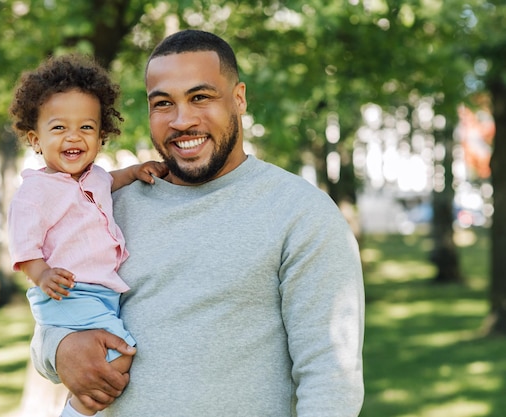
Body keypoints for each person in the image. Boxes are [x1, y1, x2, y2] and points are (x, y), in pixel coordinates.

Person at [31, 30, 365, 416]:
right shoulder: (108, 207)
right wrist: (58, 349)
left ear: (239, 98)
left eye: (200, 97)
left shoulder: (300, 212)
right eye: (163, 103)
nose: (182, 120)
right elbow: (53, 319)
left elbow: (330, 377)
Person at [7, 54, 167, 417]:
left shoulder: (96, 176)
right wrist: (43, 274)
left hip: (100, 293)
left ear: (101, 135)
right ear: (36, 139)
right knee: (120, 351)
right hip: (68, 291)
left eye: (87, 128)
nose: (74, 137)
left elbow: (115, 179)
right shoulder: (36, 192)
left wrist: (139, 169)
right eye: (59, 128)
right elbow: (23, 246)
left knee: (109, 351)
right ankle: (77, 409)